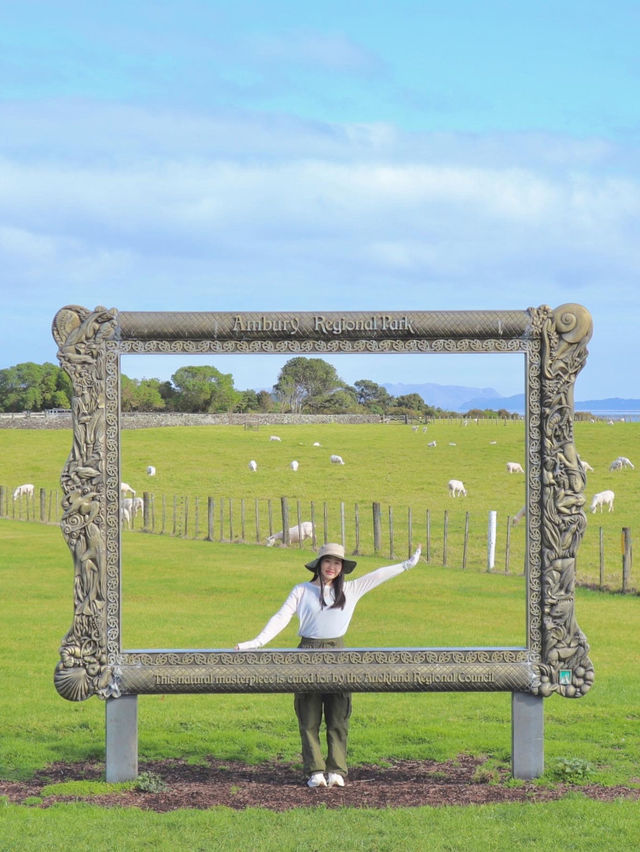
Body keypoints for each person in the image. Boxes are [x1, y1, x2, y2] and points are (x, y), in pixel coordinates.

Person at [235, 541, 423, 788]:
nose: (332, 567)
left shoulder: (352, 589)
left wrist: (407, 565)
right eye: (328, 561)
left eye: (337, 563)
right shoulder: (302, 590)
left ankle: (336, 770)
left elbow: (378, 575)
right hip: (307, 654)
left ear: (342, 567)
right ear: (319, 564)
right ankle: (315, 771)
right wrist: (256, 642)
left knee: (338, 714)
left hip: (338, 655)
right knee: (308, 715)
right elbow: (281, 617)